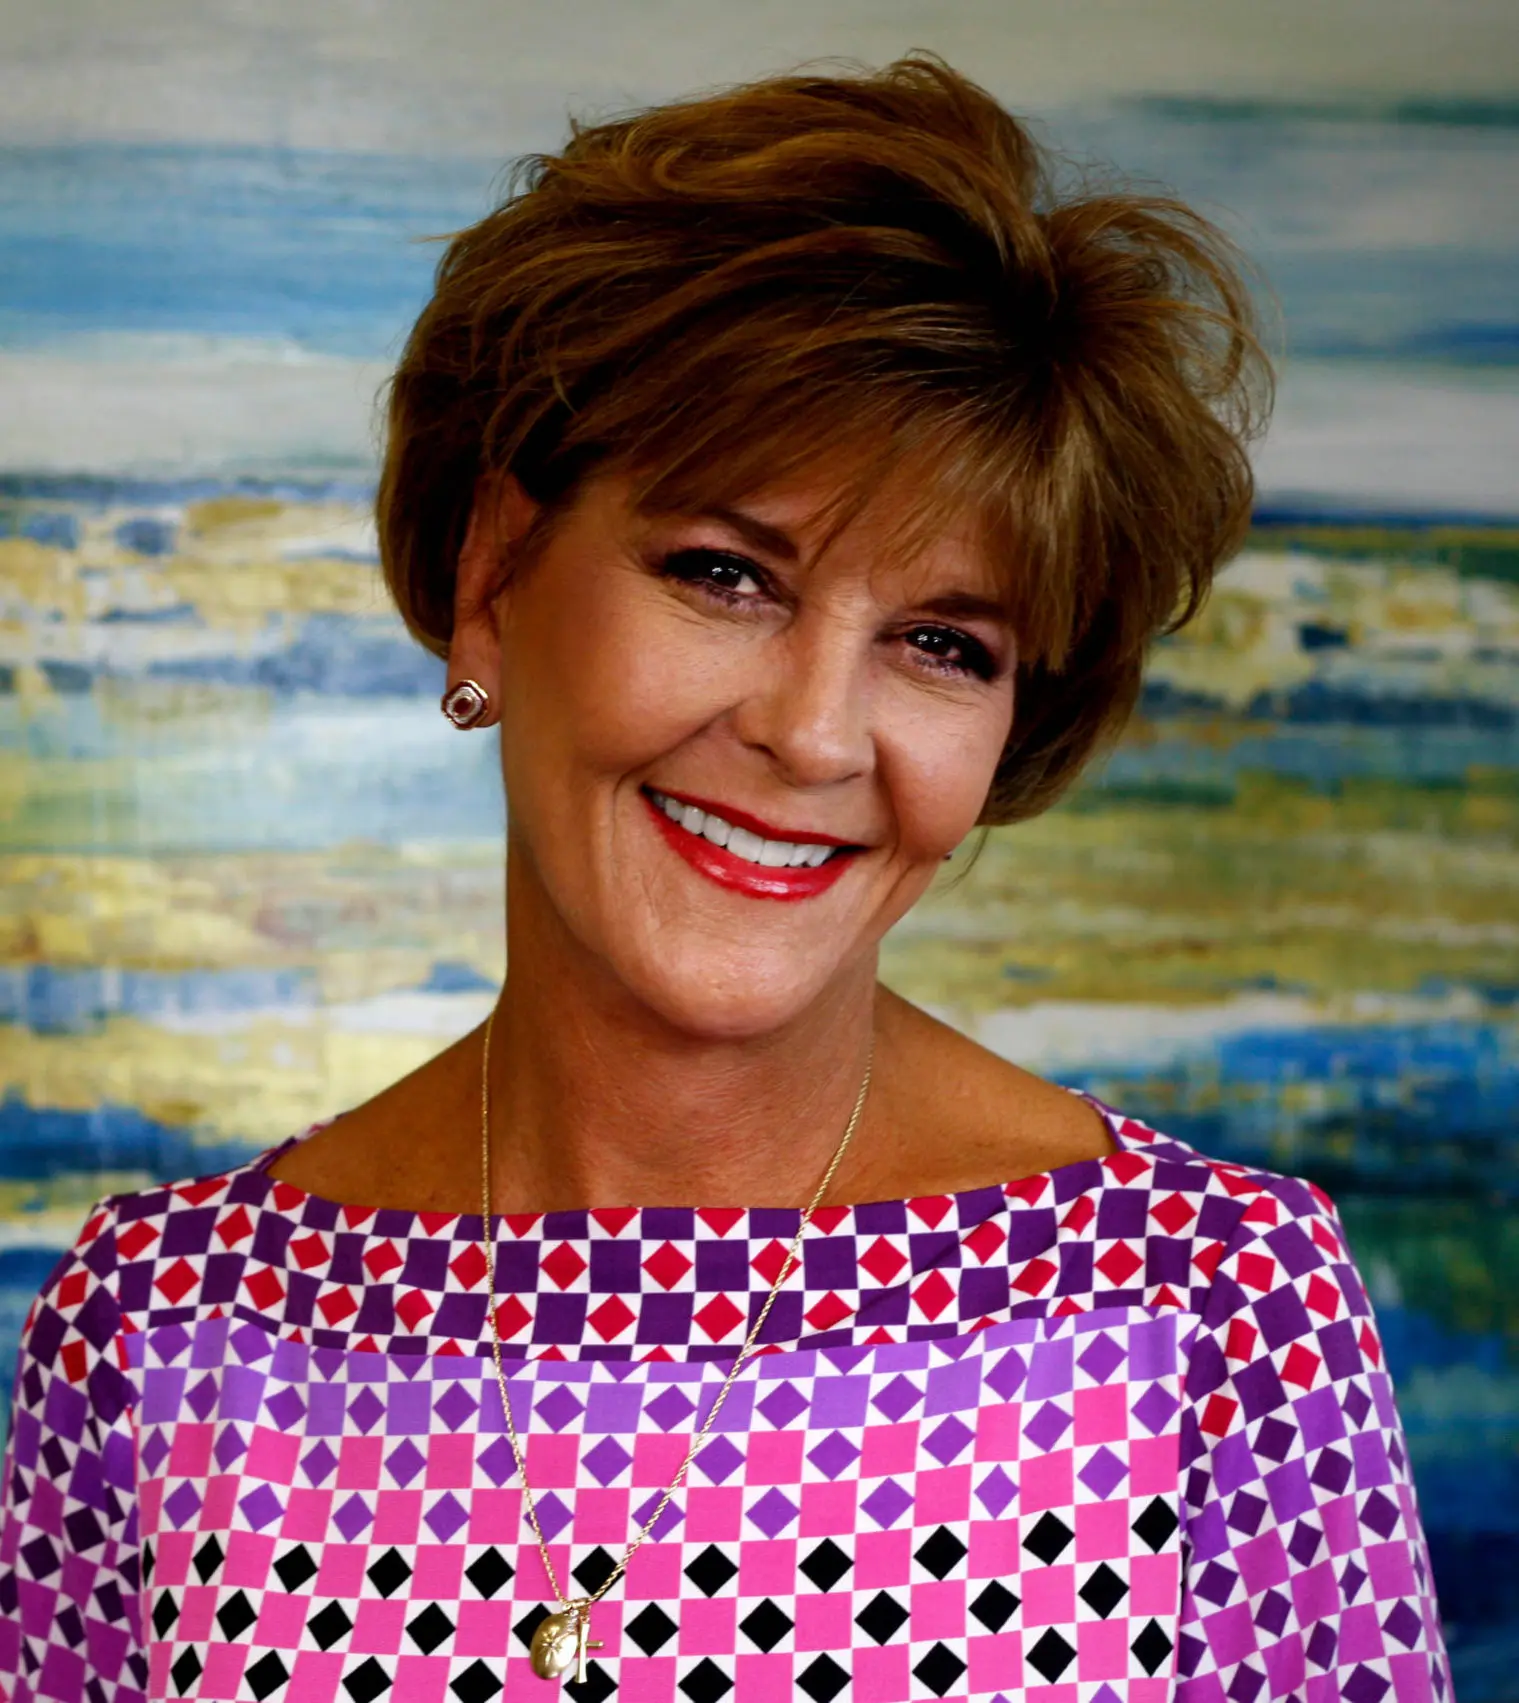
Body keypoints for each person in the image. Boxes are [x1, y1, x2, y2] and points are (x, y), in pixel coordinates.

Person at [0, 51, 1447, 1703]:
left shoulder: (1215, 1307)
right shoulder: (161, 1330)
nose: (814, 735)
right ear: (492, 574)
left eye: (941, 643)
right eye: (724, 573)